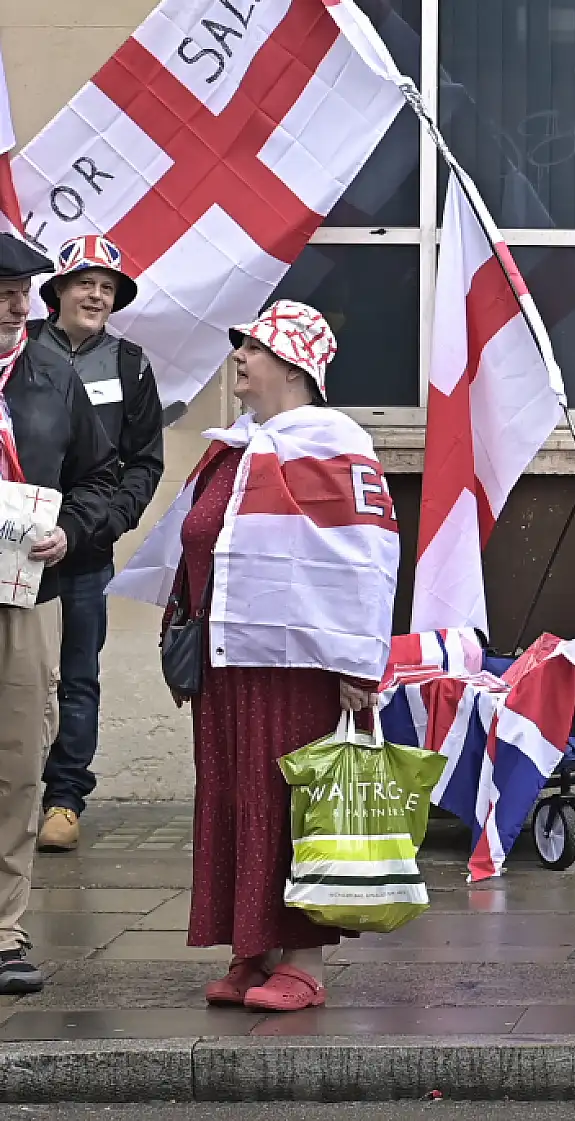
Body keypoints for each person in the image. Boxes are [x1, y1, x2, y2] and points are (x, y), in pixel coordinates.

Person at [108, 300, 400, 1012]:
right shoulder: (235, 447)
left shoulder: (333, 445)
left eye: (256, 347)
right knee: (236, 797)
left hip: (297, 666)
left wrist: (358, 663)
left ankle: (303, 960)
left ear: (294, 367)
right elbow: (196, 545)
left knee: (287, 803)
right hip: (229, 659)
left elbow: (366, 559)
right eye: (242, 345)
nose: (239, 356)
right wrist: (180, 633)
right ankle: (254, 944)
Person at [0, 233, 119, 995]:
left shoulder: (49, 373)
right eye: (4, 294)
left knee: (15, 762)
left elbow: (101, 474)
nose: (20, 307)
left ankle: (3, 930)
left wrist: (70, 529)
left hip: (19, 595)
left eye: (22, 293)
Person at [28, 236, 164, 852]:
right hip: (12, 548)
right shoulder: (20, 348)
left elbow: (144, 463)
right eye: (85, 282)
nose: (96, 295)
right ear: (57, 290)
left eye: (107, 288)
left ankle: (64, 799)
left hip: (84, 553)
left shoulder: (131, 365)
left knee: (77, 676)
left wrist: (105, 523)